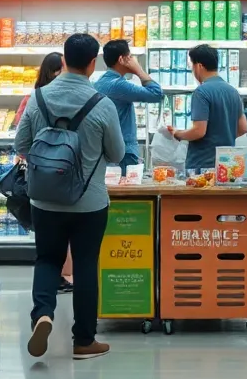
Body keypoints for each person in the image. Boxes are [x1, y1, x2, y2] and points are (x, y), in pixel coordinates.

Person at [16, 33, 125, 360]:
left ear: (63, 59)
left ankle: (43, 314)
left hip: (44, 200)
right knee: (86, 264)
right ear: (93, 64)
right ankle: (84, 340)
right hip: (89, 203)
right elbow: (118, 154)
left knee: (47, 259)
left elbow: (21, 146)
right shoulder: (101, 104)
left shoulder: (38, 99)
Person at [16, 52, 75, 294]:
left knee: (46, 244)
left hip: (40, 180)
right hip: (68, 179)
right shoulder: (71, 99)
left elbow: (21, 143)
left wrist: (39, 161)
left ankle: (43, 307)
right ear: (52, 72)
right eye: (59, 68)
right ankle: (65, 276)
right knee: (67, 233)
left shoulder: (33, 99)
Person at [170, 44, 247, 173]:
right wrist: (223, 137)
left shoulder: (201, 92)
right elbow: (243, 128)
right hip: (226, 164)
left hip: (203, 165)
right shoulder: (233, 91)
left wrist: (178, 134)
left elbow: (199, 131)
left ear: (199, 66)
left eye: (192, 67)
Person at [97, 39, 163, 173]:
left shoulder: (100, 82)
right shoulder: (118, 85)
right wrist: (139, 70)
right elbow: (157, 94)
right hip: (124, 152)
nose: (133, 60)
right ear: (122, 59)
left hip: (106, 149)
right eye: (131, 57)